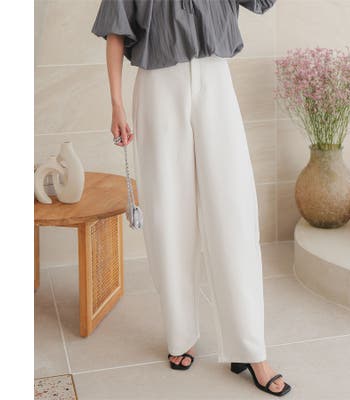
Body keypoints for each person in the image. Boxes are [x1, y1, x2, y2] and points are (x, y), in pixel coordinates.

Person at [92, 0, 291, 396]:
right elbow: (115, 32)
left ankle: (250, 348)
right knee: (168, 216)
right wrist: (116, 104)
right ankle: (180, 334)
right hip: (157, 86)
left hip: (215, 80)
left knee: (233, 213)